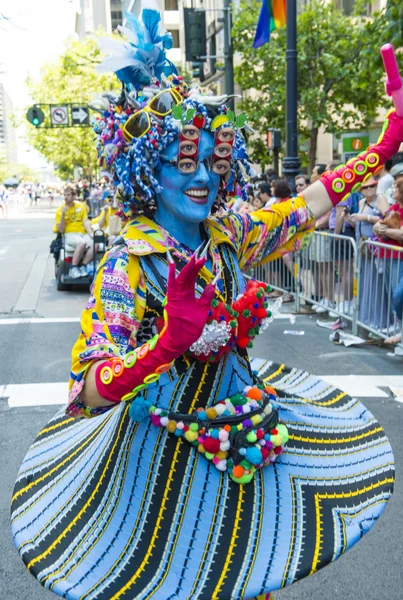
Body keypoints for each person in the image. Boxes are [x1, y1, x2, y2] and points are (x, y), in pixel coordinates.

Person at [11, 8, 398, 600]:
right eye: (182, 164)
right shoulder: (129, 265)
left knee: (250, 576)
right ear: (146, 172)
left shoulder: (228, 233)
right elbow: (88, 389)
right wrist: (165, 343)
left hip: (241, 434)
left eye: (210, 165)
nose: (202, 181)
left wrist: (387, 143)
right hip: (158, 460)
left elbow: (304, 209)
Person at [350, 177, 390, 329]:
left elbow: (387, 218)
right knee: (365, 283)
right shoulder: (361, 202)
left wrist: (366, 217)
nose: (369, 189)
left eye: (372, 186)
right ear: (361, 190)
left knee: (376, 284)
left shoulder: (380, 199)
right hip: (363, 248)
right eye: (366, 187)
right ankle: (366, 319)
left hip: (375, 248)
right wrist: (349, 218)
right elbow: (358, 224)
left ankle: (379, 322)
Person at [374, 178, 403, 345]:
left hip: (399, 259)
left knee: (399, 296)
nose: (393, 190)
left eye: (396, 187)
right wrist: (380, 227)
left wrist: (384, 229)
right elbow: (377, 226)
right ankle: (400, 333)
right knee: (394, 297)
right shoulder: (394, 208)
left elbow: (401, 234)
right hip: (387, 257)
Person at [53, 183, 95, 278]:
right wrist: (63, 215)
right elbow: (61, 230)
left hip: (83, 233)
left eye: (68, 195)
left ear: (74, 196)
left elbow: (85, 222)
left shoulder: (80, 206)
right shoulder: (60, 210)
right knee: (81, 243)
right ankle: (73, 268)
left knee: (95, 244)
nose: (66, 197)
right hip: (70, 234)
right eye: (65, 195)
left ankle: (82, 266)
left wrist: (91, 234)